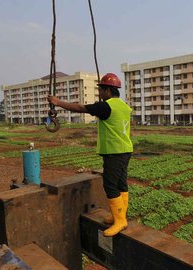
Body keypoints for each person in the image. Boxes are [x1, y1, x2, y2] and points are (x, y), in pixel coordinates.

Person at [47, 73, 132, 237]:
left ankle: (120, 221)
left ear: (108, 90)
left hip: (114, 152)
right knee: (121, 184)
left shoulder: (106, 106)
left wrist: (57, 102)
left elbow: (80, 108)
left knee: (110, 185)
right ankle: (119, 216)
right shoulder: (123, 106)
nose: (100, 93)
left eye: (101, 90)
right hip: (125, 149)